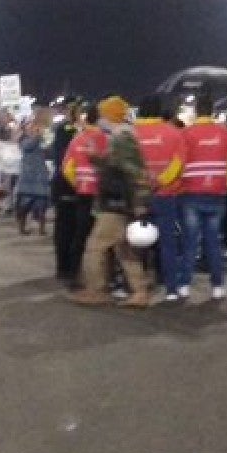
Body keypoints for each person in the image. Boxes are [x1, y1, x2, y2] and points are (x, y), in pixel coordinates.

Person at [69, 99, 151, 309]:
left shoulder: (122, 137)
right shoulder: (122, 135)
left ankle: (96, 290)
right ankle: (140, 291)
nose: (100, 118)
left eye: (103, 114)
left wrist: (139, 203)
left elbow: (133, 171)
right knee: (124, 249)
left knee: (94, 247)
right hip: (122, 201)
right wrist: (98, 159)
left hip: (116, 202)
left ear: (110, 116)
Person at [179, 94, 227, 300]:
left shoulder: (186, 134)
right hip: (217, 194)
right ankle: (217, 286)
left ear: (196, 112)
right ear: (213, 112)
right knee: (213, 242)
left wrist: (168, 182)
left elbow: (176, 164)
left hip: (191, 194)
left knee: (190, 241)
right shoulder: (225, 134)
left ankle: (184, 285)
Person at [134, 95, 187, 303]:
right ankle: (171, 288)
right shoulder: (173, 133)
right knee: (168, 243)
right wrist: (161, 180)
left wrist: (142, 182)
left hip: (138, 196)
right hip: (165, 195)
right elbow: (178, 163)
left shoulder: (131, 134)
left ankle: (137, 286)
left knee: (136, 241)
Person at [62, 101, 117, 283]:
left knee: (80, 234)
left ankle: (73, 275)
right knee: (104, 238)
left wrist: (78, 183)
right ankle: (104, 278)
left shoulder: (77, 139)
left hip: (83, 192)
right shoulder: (107, 139)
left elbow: (67, 168)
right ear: (100, 119)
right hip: (102, 195)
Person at [51, 99, 85, 284]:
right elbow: (66, 161)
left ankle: (65, 268)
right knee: (68, 228)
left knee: (66, 228)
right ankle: (67, 268)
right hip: (69, 183)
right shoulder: (68, 130)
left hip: (66, 183)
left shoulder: (67, 130)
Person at [15, 111, 52, 235]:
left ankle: (42, 229)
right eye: (29, 124)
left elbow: (48, 151)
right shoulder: (22, 138)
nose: (32, 126)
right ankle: (22, 227)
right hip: (28, 176)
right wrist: (37, 135)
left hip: (40, 174)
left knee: (42, 203)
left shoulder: (41, 138)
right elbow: (27, 146)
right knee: (25, 203)